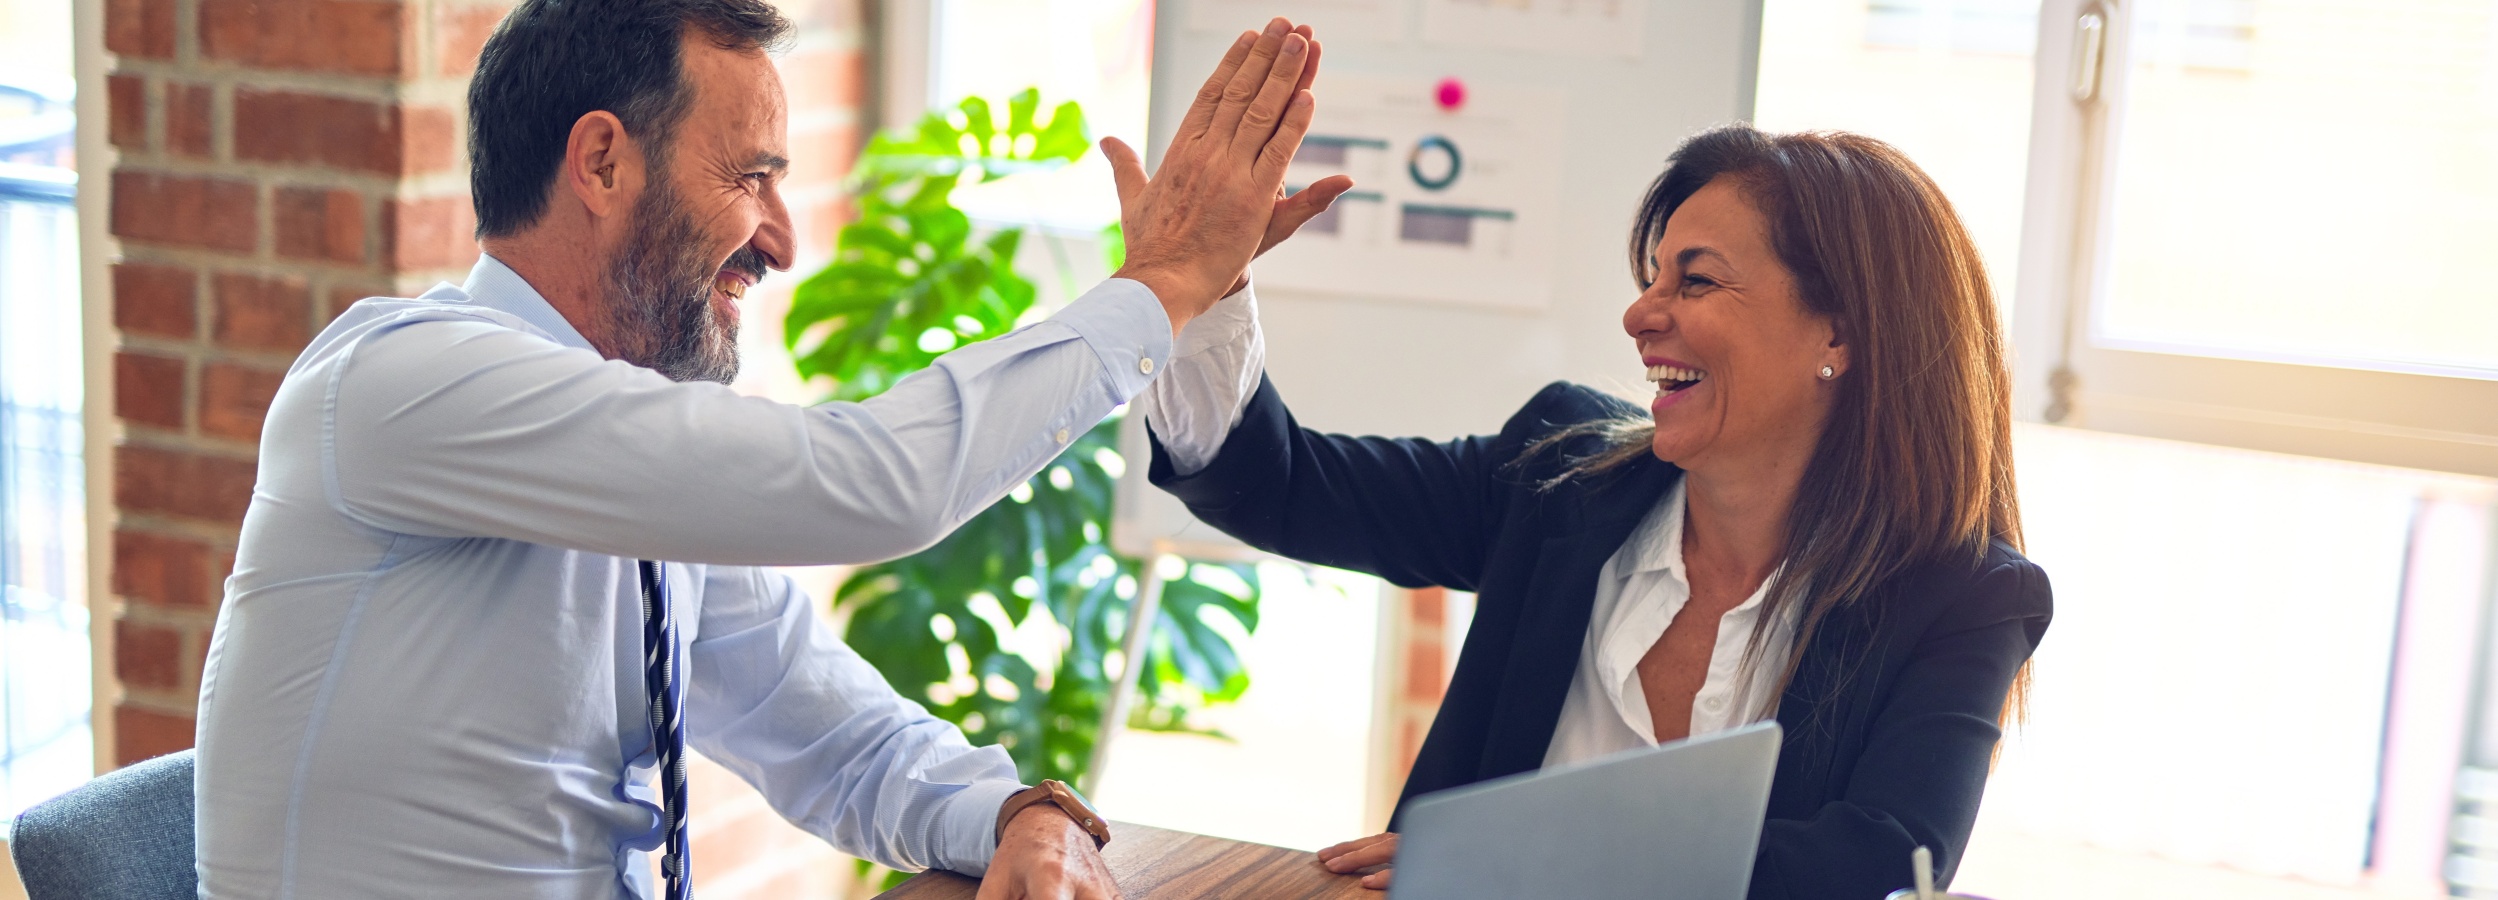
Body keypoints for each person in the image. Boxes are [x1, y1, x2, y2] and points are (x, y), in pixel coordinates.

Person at [191, 1, 1352, 896]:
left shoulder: (620, 456)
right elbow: (864, 483)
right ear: (600, 163)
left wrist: (1013, 812)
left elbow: (831, 733)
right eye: (749, 179)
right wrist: (1157, 289)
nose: (783, 240)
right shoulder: (403, 383)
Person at [1138, 125, 2052, 898]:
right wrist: (1200, 287)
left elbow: (1882, 862)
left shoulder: (1963, 596)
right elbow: (1280, 484)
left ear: (1841, 334)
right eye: (1654, 277)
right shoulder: (1560, 470)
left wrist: (1516, 868)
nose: (1639, 315)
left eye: (1694, 282)